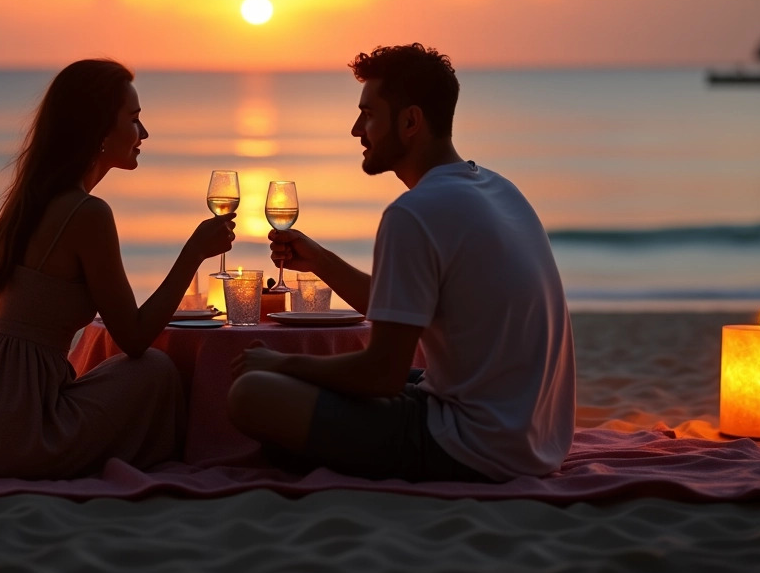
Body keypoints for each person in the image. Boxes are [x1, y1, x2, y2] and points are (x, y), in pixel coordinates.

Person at [229, 44, 576, 482]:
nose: (357, 129)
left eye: (369, 114)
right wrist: (321, 262)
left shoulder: (413, 212)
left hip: (473, 447)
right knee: (333, 376)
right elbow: (404, 301)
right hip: (536, 439)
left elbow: (382, 375)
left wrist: (282, 363)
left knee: (252, 393)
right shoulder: (498, 189)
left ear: (410, 121)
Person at [0, 59, 236, 478]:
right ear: (98, 128)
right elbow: (132, 337)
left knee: (114, 369)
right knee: (156, 369)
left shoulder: (26, 202)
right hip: (12, 434)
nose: (143, 134)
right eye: (134, 120)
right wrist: (192, 253)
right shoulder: (86, 212)